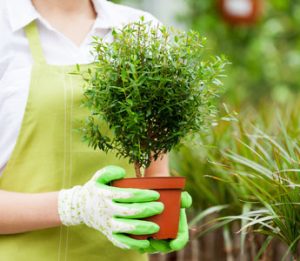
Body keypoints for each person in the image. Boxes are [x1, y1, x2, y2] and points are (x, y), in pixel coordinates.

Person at [0, 0, 191, 260]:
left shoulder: (142, 31)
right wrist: (74, 206)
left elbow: (156, 171)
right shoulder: (5, 27)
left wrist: (163, 212)